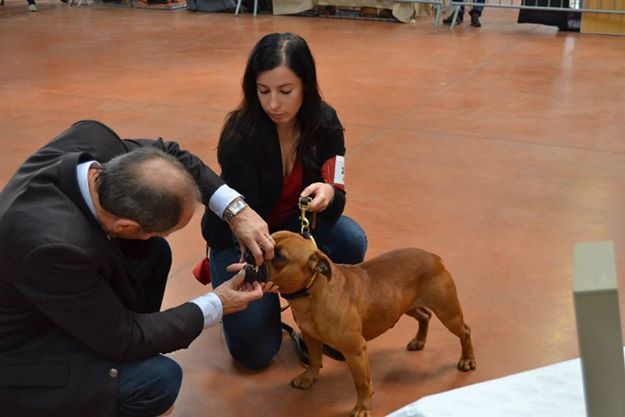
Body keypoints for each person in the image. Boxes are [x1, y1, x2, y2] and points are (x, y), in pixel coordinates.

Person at [0, 120, 277, 417]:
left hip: (58, 296)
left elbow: (169, 155)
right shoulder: (55, 248)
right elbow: (125, 338)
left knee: (152, 253)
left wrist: (236, 211)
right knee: (156, 380)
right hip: (22, 352)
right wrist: (217, 304)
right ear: (125, 226)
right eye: (160, 230)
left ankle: (136, 343)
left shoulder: (97, 145)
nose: (161, 236)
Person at [201, 32, 368, 370]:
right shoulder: (240, 133)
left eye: (285, 91)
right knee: (255, 353)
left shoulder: (325, 121)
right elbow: (244, 219)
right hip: (240, 241)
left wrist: (330, 192)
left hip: (293, 229)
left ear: (306, 85)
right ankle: (252, 304)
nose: (273, 104)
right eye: (263, 91)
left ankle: (318, 313)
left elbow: (337, 187)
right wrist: (261, 268)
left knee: (351, 239)